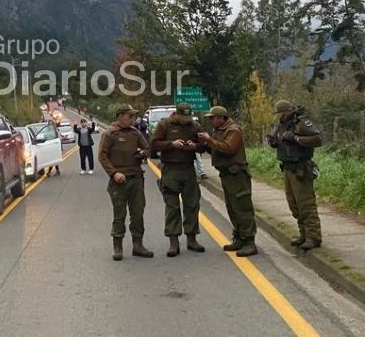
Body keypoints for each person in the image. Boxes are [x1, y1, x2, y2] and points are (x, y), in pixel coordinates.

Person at [199, 106, 258, 257]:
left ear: (220, 117)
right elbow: (217, 150)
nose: (211, 121)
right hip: (226, 175)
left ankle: (249, 241)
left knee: (242, 207)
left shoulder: (233, 130)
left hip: (237, 175)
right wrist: (205, 144)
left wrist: (210, 140)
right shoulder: (218, 131)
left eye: (212, 118)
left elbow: (229, 148)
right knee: (232, 207)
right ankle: (239, 237)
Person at [98, 105, 154, 260]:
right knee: (119, 214)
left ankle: (138, 244)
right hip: (119, 181)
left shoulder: (135, 133)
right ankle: (118, 246)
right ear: (120, 116)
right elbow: (102, 156)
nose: (133, 119)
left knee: (138, 212)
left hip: (136, 178)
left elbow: (148, 148)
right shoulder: (110, 134)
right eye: (130, 116)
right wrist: (114, 173)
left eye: (134, 117)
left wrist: (143, 153)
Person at [150, 103, 206, 257]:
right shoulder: (164, 125)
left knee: (192, 204)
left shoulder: (194, 126)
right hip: (170, 169)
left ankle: (192, 238)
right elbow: (154, 144)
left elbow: (205, 145)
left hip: (188, 168)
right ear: (176, 114)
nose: (186, 121)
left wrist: (195, 146)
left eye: (188, 118)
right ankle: (173, 242)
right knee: (172, 206)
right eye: (183, 117)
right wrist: (171, 144)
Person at [267, 100, 323, 250]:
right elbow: (281, 141)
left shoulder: (302, 123)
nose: (281, 117)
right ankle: (303, 234)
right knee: (294, 204)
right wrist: (274, 142)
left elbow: (317, 139)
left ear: (290, 110)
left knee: (306, 204)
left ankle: (313, 236)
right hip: (287, 167)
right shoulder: (281, 125)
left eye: (283, 113)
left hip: (301, 168)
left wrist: (297, 138)